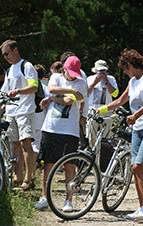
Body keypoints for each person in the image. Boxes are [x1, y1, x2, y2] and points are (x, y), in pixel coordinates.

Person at [97, 49, 143, 222]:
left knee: (138, 165)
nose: (125, 72)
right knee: (135, 166)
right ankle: (142, 208)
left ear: (130, 65)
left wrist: (136, 115)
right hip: (138, 128)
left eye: (125, 69)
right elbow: (120, 101)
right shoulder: (132, 81)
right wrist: (101, 110)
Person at [34, 56, 87, 210]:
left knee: (70, 165)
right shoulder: (56, 77)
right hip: (51, 127)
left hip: (70, 129)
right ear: (64, 69)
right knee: (48, 163)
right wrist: (67, 91)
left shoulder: (82, 82)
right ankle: (44, 197)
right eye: (70, 72)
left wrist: (52, 98)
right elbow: (51, 89)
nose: (72, 76)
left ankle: (68, 200)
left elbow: (68, 101)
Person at [0, 39, 38, 191]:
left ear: (15, 50)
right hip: (11, 111)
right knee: (15, 145)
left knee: (25, 144)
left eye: (7, 53)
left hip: (25, 110)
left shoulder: (26, 66)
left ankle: (28, 180)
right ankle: (17, 177)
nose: (5, 57)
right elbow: (3, 91)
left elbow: (34, 86)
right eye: (3, 55)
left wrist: (19, 91)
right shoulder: (9, 70)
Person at [86, 59, 119, 148]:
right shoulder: (89, 79)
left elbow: (115, 94)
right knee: (91, 138)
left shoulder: (111, 79)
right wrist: (94, 83)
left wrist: (106, 81)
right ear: (95, 70)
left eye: (103, 71)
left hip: (107, 112)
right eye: (100, 71)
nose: (101, 73)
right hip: (93, 112)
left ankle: (102, 159)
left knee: (105, 140)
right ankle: (93, 157)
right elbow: (85, 93)